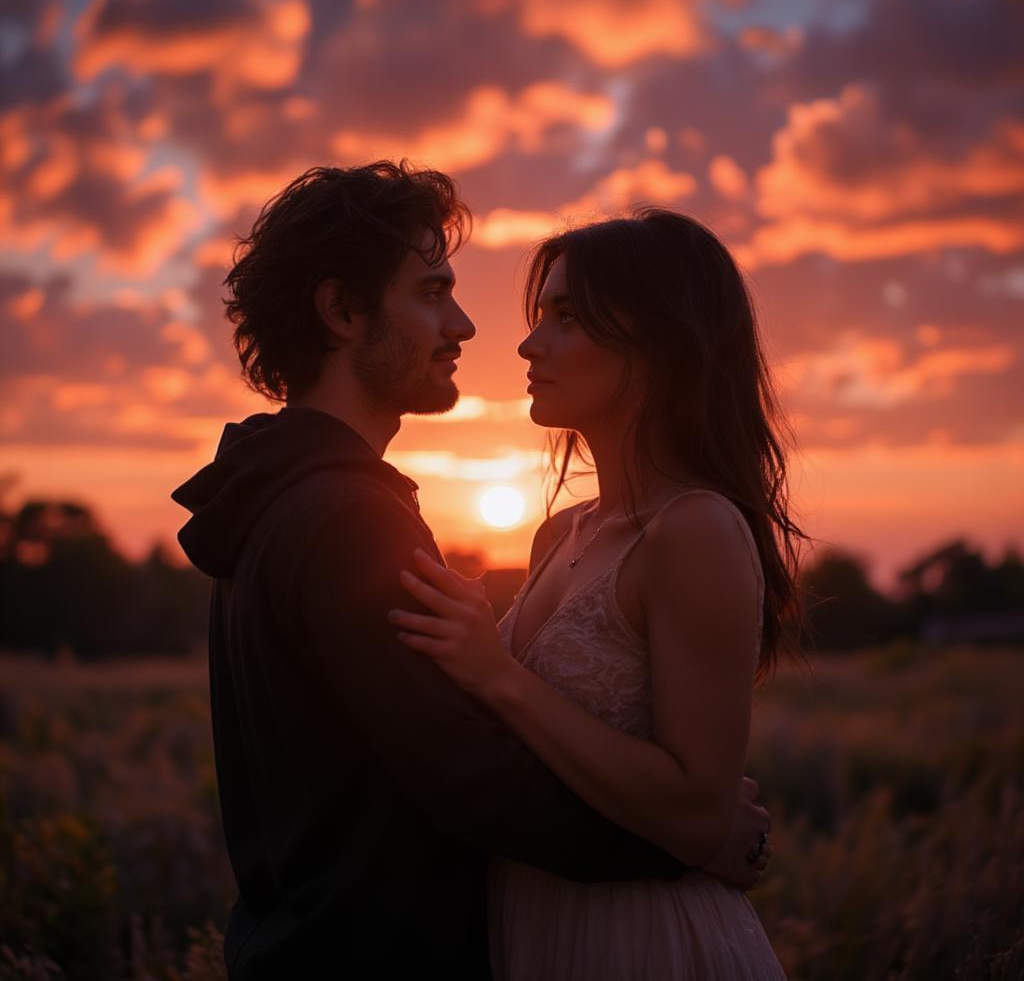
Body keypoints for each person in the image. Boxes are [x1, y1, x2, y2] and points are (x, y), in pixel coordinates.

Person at [172, 163, 774, 981]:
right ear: (343, 311)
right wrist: (690, 842)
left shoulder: (276, 497)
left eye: (563, 317)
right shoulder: (344, 516)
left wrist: (685, 821)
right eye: (431, 293)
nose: (471, 327)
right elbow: (470, 775)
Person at [390, 209, 803, 979]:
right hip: (535, 924)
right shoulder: (560, 533)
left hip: (641, 939)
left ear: (659, 342)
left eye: (566, 318)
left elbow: (697, 809)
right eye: (540, 315)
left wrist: (498, 675)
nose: (526, 343)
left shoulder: (695, 530)